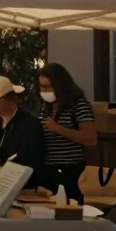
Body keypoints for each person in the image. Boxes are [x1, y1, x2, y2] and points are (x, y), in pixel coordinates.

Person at [38, 63, 97, 204]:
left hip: (71, 170)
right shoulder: (47, 106)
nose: (44, 90)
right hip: (49, 170)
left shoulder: (78, 105)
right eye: (41, 86)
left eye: (48, 86)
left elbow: (91, 139)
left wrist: (58, 128)